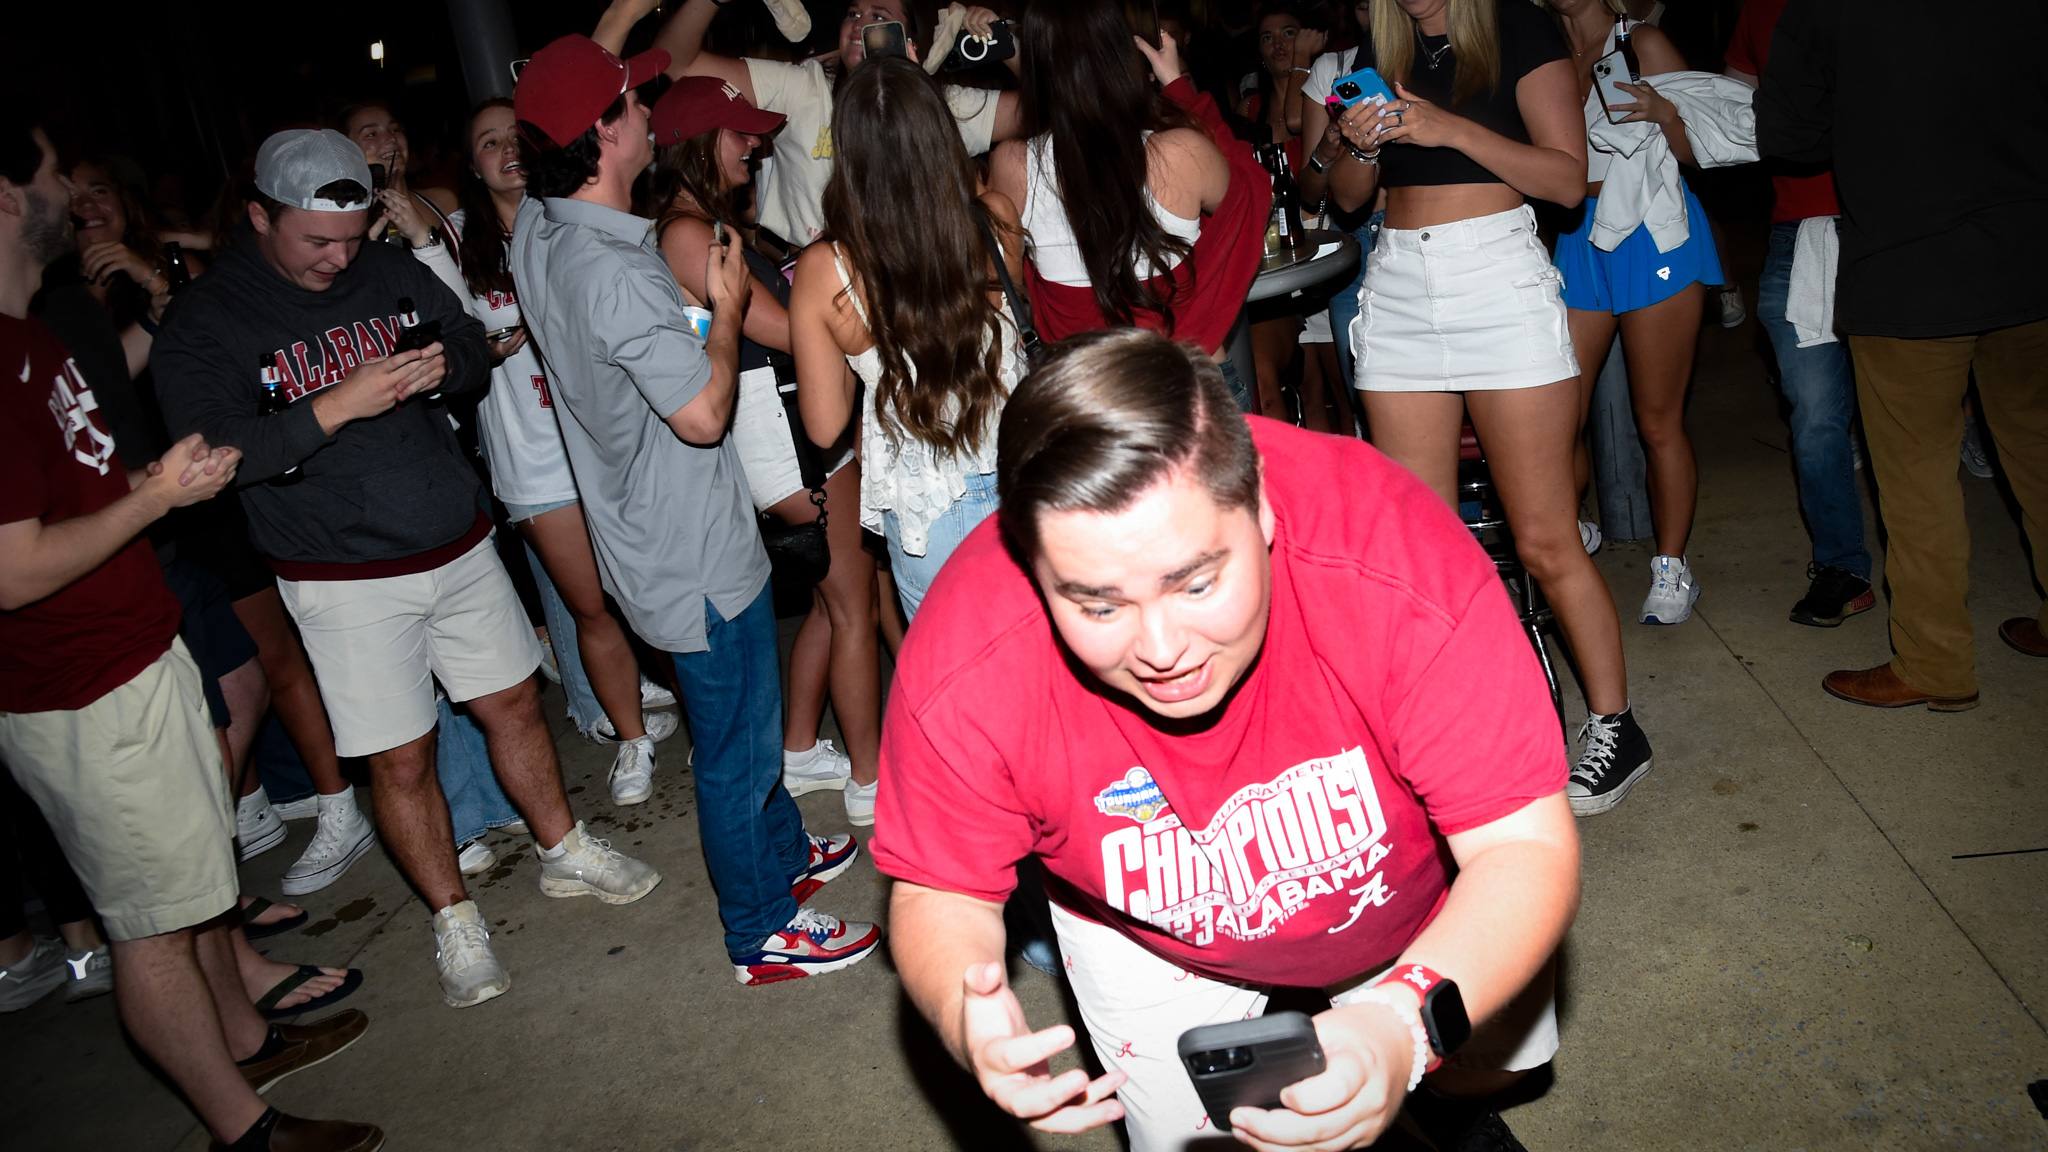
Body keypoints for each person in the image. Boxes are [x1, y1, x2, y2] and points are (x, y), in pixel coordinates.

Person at [876, 329, 1578, 1152]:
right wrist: (969, 1017)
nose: (1163, 648)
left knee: (1494, 1066)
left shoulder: (1393, 555)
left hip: (1408, 893)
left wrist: (1401, 1025)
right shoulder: (968, 657)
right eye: (1100, 606)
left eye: (1197, 582)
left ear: (1265, 509)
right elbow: (938, 891)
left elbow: (1521, 844)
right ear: (1033, 564)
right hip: (1145, 929)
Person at [154, 127, 661, 1010]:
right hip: (338, 572)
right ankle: (452, 916)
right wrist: (337, 406)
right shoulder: (210, 316)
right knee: (399, 758)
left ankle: (562, 849)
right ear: (259, 216)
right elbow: (215, 453)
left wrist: (442, 367)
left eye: (350, 241)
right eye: (315, 241)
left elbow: (466, 339)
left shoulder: (384, 270)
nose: (337, 259)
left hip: (454, 536)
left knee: (512, 703)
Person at [0, 116, 381, 1152]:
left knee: (190, 885)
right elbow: (10, 566)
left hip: (130, 649)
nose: (70, 194)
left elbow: (61, 503)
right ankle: (243, 1130)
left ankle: (244, 1038)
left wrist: (147, 489)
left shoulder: (35, 331)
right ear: (3, 197)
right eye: (46, 171)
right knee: (153, 928)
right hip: (79, 691)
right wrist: (157, 496)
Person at [508, 34, 875, 984]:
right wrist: (714, 310)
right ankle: (757, 931)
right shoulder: (619, 272)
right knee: (737, 749)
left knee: (741, 734)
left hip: (648, 532)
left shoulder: (537, 233)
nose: (644, 113)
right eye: (630, 104)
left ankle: (782, 858)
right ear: (603, 135)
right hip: (691, 549)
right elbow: (707, 415)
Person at [1326, 0, 1653, 815]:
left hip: (1497, 278)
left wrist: (1449, 129)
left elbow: (1565, 179)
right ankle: (1463, 728)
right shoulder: (1378, 45)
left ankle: (1616, 725)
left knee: (1544, 536)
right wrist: (1358, 146)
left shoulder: (1524, 28)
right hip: (1397, 282)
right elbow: (1346, 195)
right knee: (1423, 548)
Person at [386, 97, 680, 804]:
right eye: (487, 143)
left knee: (660, 595)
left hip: (610, 447)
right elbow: (452, 330)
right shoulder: (454, 239)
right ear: (472, 164)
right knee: (590, 607)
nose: (505, 151)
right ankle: (632, 741)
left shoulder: (571, 220)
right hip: (534, 458)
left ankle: (708, 724)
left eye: (514, 138)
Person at [1758, 0, 2048, 708]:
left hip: (1908, 269)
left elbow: (1789, 134)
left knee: (1918, 483)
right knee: (2042, 456)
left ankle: (1935, 664)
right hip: (2030, 256)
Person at [649, 76, 880, 823]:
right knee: (854, 604)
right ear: (696, 144)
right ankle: (873, 783)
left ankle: (802, 748)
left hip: (782, 421)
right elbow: (782, 332)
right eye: (738, 134)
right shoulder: (690, 233)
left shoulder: (708, 223)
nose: (755, 146)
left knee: (829, 598)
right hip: (780, 431)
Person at [790, 56, 1028, 621]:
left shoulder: (828, 268)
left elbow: (823, 426)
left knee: (952, 691)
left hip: (928, 509)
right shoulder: (995, 217)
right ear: (941, 133)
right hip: (1022, 479)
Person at [1547, 0, 1733, 626]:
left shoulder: (1643, 43)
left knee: (1657, 421)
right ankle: (1569, 531)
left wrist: (1664, 113)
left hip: (1652, 229)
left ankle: (1672, 566)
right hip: (1579, 235)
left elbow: (1701, 148)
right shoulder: (1540, 53)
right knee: (1554, 416)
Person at [989, 6, 1267, 409]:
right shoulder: (1178, 153)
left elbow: (1014, 279)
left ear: (1037, 64)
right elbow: (1251, 187)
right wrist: (1179, 87)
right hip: (1192, 391)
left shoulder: (1013, 164)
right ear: (1123, 55)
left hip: (1091, 402)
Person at [614, 0, 1024, 249]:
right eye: (852, 13)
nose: (859, 24)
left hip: (914, 284)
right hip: (816, 283)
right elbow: (676, 62)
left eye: (878, 15)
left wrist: (1004, 43)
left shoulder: (944, 104)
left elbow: (1052, 109)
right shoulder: (802, 87)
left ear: (911, 41)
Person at [1721, 0, 1873, 629]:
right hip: (1800, 229)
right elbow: (1732, 114)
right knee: (1814, 416)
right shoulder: (1758, 9)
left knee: (1913, 418)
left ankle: (1938, 588)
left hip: (1892, 223)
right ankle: (1843, 566)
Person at [339, 100, 459, 243]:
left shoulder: (444, 201)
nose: (391, 138)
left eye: (395, 129)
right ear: (346, 151)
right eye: (371, 134)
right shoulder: (348, 222)